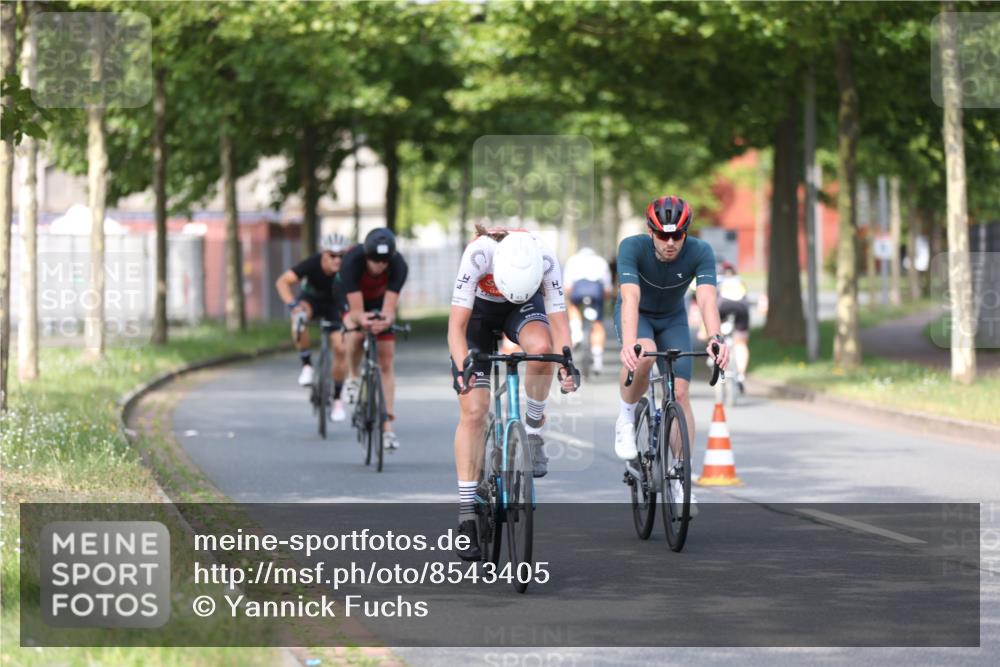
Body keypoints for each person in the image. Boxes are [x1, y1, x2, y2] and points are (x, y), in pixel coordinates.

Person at [448, 225, 577, 560]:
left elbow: (559, 323)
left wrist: (566, 362)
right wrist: (464, 369)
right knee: (474, 411)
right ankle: (466, 516)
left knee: (543, 348)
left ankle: (533, 431)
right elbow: (456, 327)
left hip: (521, 310)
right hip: (477, 315)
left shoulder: (545, 257)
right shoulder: (478, 254)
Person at [613, 196, 730, 516]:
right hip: (639, 315)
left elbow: (707, 300)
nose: (669, 242)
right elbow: (630, 296)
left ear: (686, 233)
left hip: (673, 318)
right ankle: (625, 417)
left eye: (677, 235)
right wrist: (630, 342)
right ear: (650, 231)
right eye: (662, 235)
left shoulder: (700, 252)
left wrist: (716, 338)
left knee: (680, 392)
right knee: (646, 354)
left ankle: (679, 476)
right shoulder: (631, 248)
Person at [338, 228, 408, 451]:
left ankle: (387, 428)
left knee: (386, 361)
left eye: (384, 261)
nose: (380, 266)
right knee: (356, 331)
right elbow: (357, 312)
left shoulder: (399, 265)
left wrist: (384, 320)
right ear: (366, 256)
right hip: (351, 298)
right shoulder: (351, 262)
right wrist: (362, 321)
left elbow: (389, 309)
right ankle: (354, 376)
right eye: (375, 261)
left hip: (378, 302)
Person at [274, 232, 350, 422]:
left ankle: (338, 399)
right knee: (299, 317)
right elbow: (282, 281)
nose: (337, 260)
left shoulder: (349, 267)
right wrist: (292, 304)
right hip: (311, 301)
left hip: (335, 305)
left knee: (341, 348)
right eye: (332, 256)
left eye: (341, 255)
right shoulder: (312, 263)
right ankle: (306, 365)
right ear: (323, 254)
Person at [563, 247, 614, 373]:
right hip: (596, 293)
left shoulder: (573, 260)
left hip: (578, 292)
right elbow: (608, 289)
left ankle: (576, 333)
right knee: (597, 325)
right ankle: (597, 361)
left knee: (572, 306)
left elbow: (567, 287)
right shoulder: (601, 261)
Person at [716, 261, 751, 393]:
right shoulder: (740, 280)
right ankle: (741, 375)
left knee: (717, 335)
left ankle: (718, 362)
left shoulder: (719, 279)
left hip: (723, 305)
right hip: (742, 307)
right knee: (741, 343)